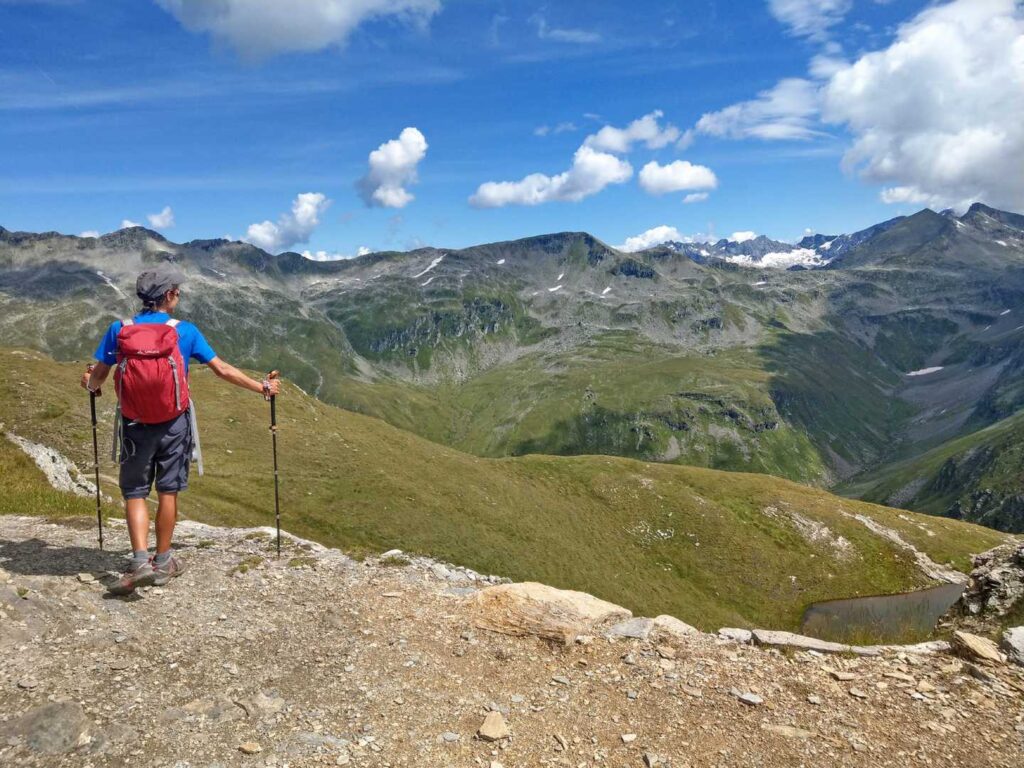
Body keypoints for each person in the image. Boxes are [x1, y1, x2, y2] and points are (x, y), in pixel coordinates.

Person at [81, 265, 280, 595]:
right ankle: (163, 561)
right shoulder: (185, 331)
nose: (179, 295)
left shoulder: (119, 329)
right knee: (167, 491)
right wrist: (261, 387)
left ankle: (139, 561)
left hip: (134, 424)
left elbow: (98, 378)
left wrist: (89, 382)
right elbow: (223, 370)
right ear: (169, 295)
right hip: (174, 423)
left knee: (135, 491)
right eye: (177, 291)